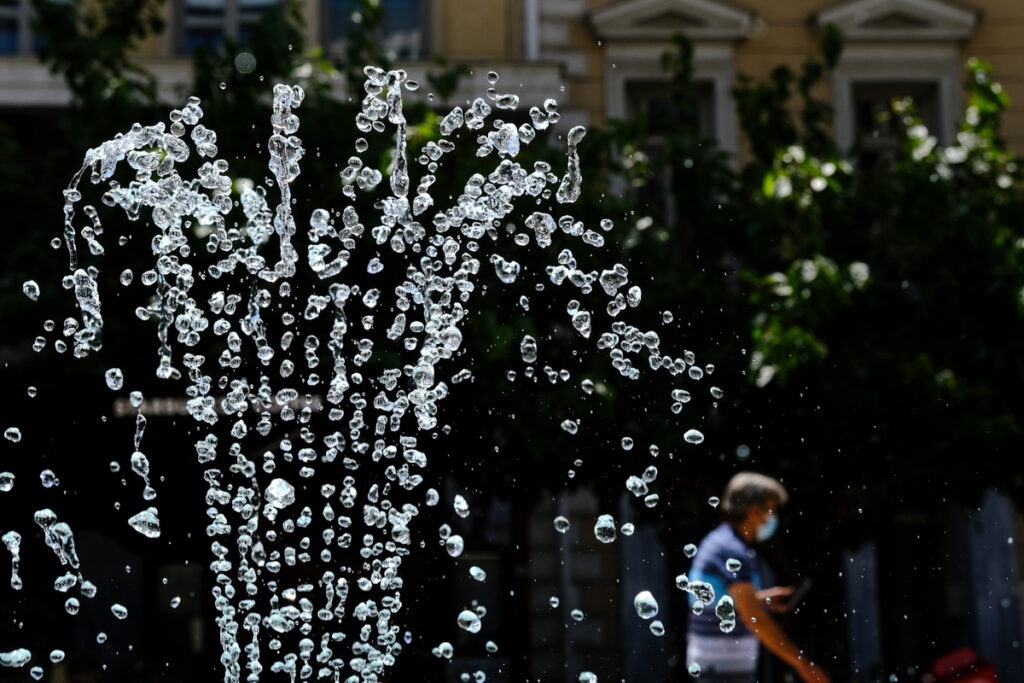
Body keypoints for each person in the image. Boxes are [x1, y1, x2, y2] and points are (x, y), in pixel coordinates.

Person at [685, 472, 830, 683]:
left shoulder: (719, 542)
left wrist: (760, 599)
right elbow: (755, 619)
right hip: (722, 672)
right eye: (771, 511)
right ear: (753, 511)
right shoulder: (732, 551)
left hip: (715, 667)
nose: (773, 518)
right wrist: (802, 663)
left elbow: (722, 601)